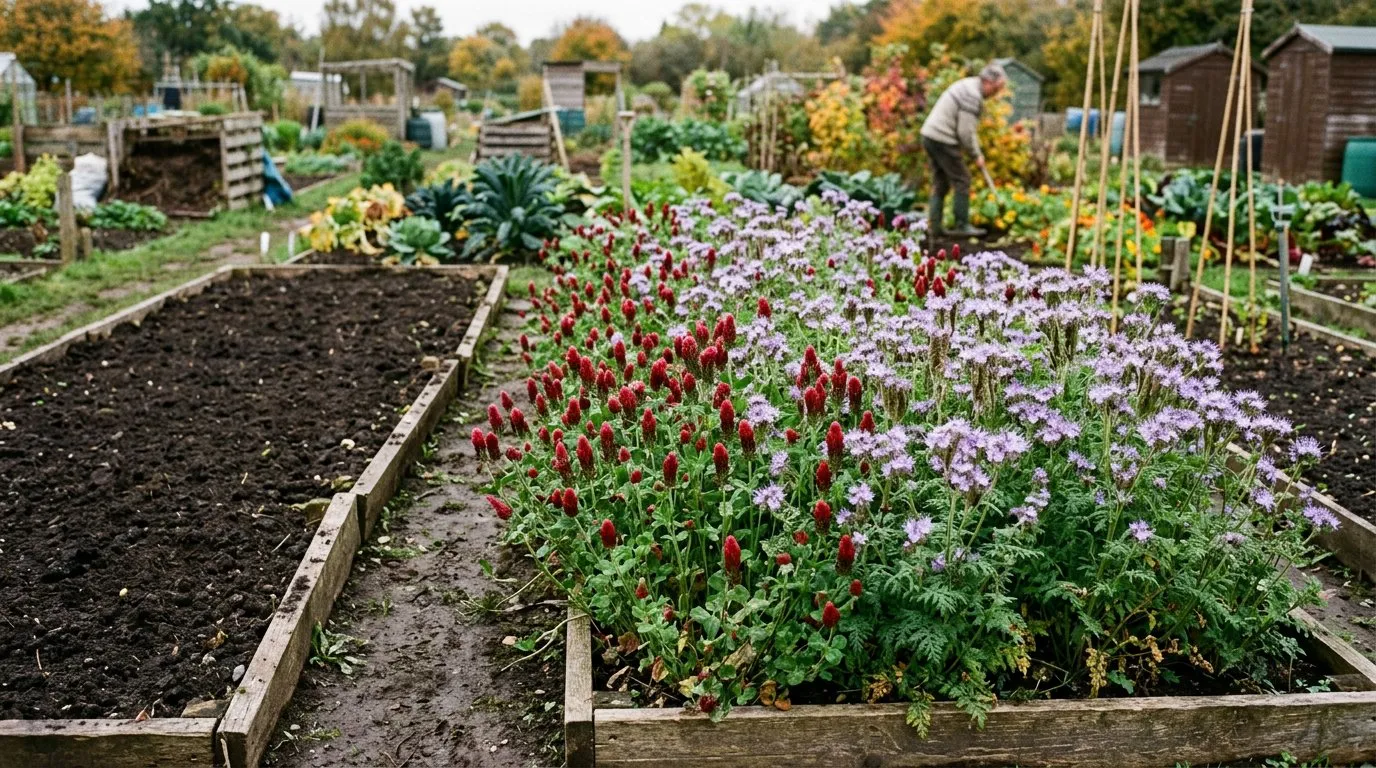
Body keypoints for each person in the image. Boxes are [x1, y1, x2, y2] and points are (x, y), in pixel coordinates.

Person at [920, 62, 1007, 237]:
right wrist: (976, 154)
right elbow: (965, 132)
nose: (995, 94)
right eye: (996, 89)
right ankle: (962, 225)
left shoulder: (968, 85)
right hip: (942, 138)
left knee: (941, 181)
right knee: (963, 179)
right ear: (988, 81)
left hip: (929, 135)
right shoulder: (972, 95)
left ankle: (935, 228)